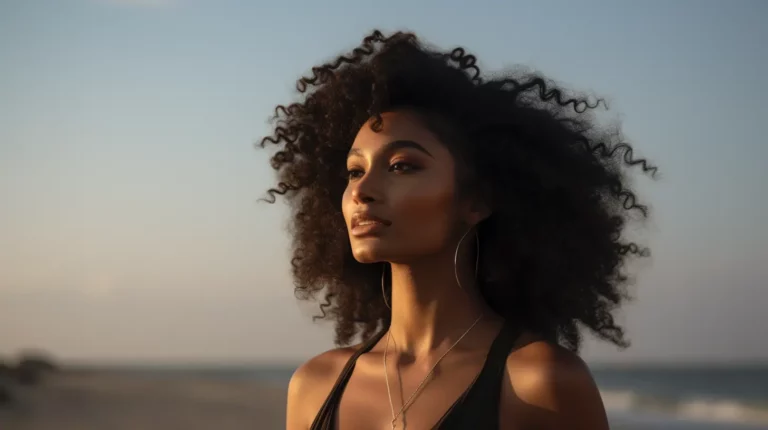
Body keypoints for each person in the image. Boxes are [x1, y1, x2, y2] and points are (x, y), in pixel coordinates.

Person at [260, 30, 657, 430]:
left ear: (476, 201)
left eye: (401, 165)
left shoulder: (539, 383)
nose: (361, 191)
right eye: (354, 171)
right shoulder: (315, 386)